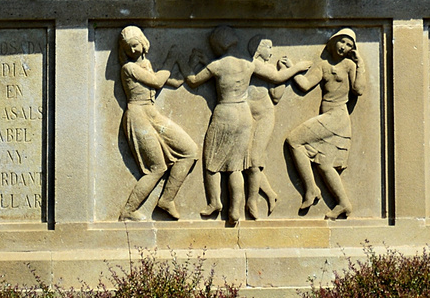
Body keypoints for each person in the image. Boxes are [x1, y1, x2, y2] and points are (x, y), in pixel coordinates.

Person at [184, 25, 309, 225]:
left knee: (211, 162)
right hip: (244, 115)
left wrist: (190, 64)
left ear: (217, 44)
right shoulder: (248, 64)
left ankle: (215, 202)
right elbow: (277, 77)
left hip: (225, 111)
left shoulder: (217, 65)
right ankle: (235, 209)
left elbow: (192, 81)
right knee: (236, 167)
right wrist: (297, 67)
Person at [116, 26, 198, 222]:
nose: (133, 50)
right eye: (129, 47)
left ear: (143, 43)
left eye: (135, 45)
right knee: (157, 168)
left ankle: (166, 200)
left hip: (152, 114)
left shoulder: (146, 64)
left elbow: (173, 82)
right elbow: (157, 81)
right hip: (138, 116)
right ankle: (128, 210)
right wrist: (171, 58)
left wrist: (189, 63)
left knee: (190, 151)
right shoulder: (129, 68)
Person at [286, 29, 366, 219]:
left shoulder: (349, 65)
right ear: (333, 41)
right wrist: (292, 68)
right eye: (342, 42)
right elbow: (305, 85)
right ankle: (344, 203)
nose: (344, 47)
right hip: (328, 114)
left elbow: (359, 89)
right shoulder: (323, 65)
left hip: (337, 117)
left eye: (349, 45)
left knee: (293, 140)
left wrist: (359, 62)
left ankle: (311, 189)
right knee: (324, 165)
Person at [244, 35, 294, 220]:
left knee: (255, 159)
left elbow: (276, 97)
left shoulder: (270, 69)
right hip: (247, 116)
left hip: (265, 115)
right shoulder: (251, 65)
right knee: (248, 162)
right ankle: (271, 194)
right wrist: (291, 70)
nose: (271, 52)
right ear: (258, 48)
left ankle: (252, 201)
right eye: (268, 47)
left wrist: (283, 73)